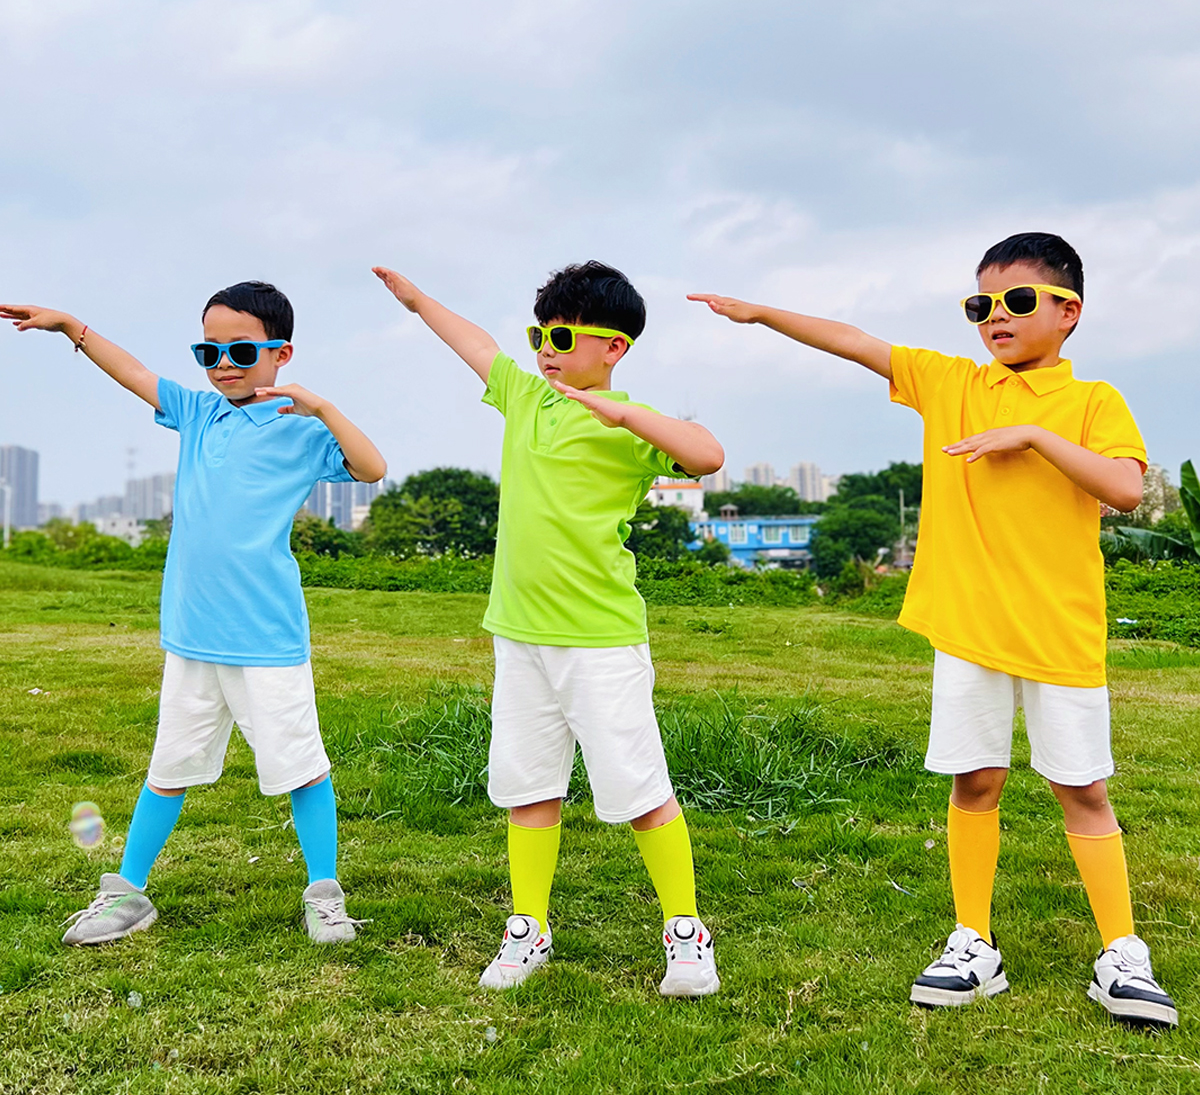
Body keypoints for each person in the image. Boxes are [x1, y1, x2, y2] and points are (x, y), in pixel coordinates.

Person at [689, 232, 1177, 1028]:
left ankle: (1122, 951)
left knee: (1082, 789)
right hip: (968, 628)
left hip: (1059, 632)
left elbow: (1125, 488)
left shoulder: (1093, 402)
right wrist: (760, 314)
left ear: (1069, 312)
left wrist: (1033, 437)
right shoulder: (952, 383)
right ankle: (971, 941)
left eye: (1017, 301)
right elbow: (858, 343)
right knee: (974, 782)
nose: (995, 317)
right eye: (980, 305)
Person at [374, 260, 725, 996]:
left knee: (639, 789)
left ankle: (686, 933)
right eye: (540, 333)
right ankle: (527, 928)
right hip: (520, 636)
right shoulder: (526, 397)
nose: (546, 348)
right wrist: (417, 301)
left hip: (599, 640)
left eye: (562, 335)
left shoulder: (631, 426)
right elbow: (473, 344)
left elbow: (707, 455)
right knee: (530, 786)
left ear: (613, 348)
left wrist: (624, 415)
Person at [1, 282, 386, 945]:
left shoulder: (301, 430)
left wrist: (320, 404)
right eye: (209, 350)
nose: (224, 363)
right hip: (192, 639)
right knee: (168, 767)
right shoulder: (201, 414)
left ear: (280, 353)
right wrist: (71, 326)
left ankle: (324, 894)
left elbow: (371, 466)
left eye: (240, 349)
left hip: (266, 640)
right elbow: (134, 373)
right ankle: (127, 893)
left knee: (302, 768)